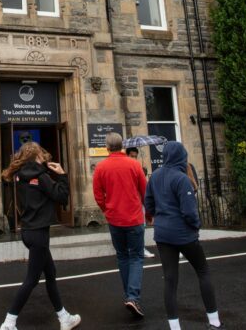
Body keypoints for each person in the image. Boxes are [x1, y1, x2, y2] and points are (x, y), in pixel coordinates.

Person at [0, 142, 81, 330]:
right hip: (39, 234)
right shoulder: (41, 177)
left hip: (28, 231)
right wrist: (62, 174)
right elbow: (61, 196)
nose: (44, 156)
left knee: (50, 273)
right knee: (32, 280)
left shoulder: (20, 176)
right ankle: (9, 322)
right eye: (42, 153)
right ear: (36, 156)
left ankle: (64, 317)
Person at [144, 141, 221, 330]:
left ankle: (175, 327)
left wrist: (157, 216)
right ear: (181, 156)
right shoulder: (181, 179)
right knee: (203, 271)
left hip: (162, 234)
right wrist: (196, 226)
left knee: (170, 280)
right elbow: (189, 211)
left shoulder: (154, 177)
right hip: (183, 234)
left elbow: (148, 203)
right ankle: (214, 322)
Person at [92, 132, 148, 318]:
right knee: (137, 256)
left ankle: (129, 296)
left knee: (123, 256)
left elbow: (98, 195)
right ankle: (132, 297)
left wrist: (107, 210)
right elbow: (144, 191)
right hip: (134, 218)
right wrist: (149, 212)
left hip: (115, 219)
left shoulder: (100, 168)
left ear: (107, 147)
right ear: (122, 146)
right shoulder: (134, 164)